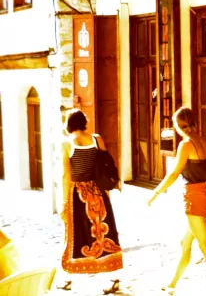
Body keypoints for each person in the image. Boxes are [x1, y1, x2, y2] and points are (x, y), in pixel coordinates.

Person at [147, 106, 206, 295]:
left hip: (193, 199)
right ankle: (172, 284)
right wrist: (205, 191)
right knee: (185, 244)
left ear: (177, 125)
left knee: (205, 246)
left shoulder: (185, 145)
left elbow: (174, 173)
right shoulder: (203, 141)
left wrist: (156, 193)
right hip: (203, 195)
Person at [60, 109, 123, 294]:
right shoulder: (97, 139)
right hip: (98, 191)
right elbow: (106, 164)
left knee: (75, 236)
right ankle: (113, 277)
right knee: (104, 234)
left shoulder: (67, 144)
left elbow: (66, 175)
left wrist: (64, 201)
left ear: (68, 124)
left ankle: (68, 278)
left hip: (78, 194)